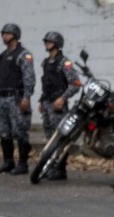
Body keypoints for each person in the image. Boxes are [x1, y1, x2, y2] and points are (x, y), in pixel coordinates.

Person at [0, 23, 36, 175]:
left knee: (20, 131)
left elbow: (29, 78)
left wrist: (26, 97)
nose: (4, 36)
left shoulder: (23, 55)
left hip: (16, 98)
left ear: (15, 35)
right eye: (3, 33)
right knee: (3, 131)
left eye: (7, 34)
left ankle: (23, 164)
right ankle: (8, 162)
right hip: (2, 99)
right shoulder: (2, 57)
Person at [39, 31, 81, 180]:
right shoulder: (46, 62)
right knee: (50, 138)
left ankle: (60, 169)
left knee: (61, 139)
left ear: (57, 44)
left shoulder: (64, 62)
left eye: (50, 42)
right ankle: (50, 167)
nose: (47, 44)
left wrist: (62, 99)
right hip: (48, 104)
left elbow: (76, 84)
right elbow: (46, 84)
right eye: (46, 41)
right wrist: (41, 101)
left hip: (58, 107)